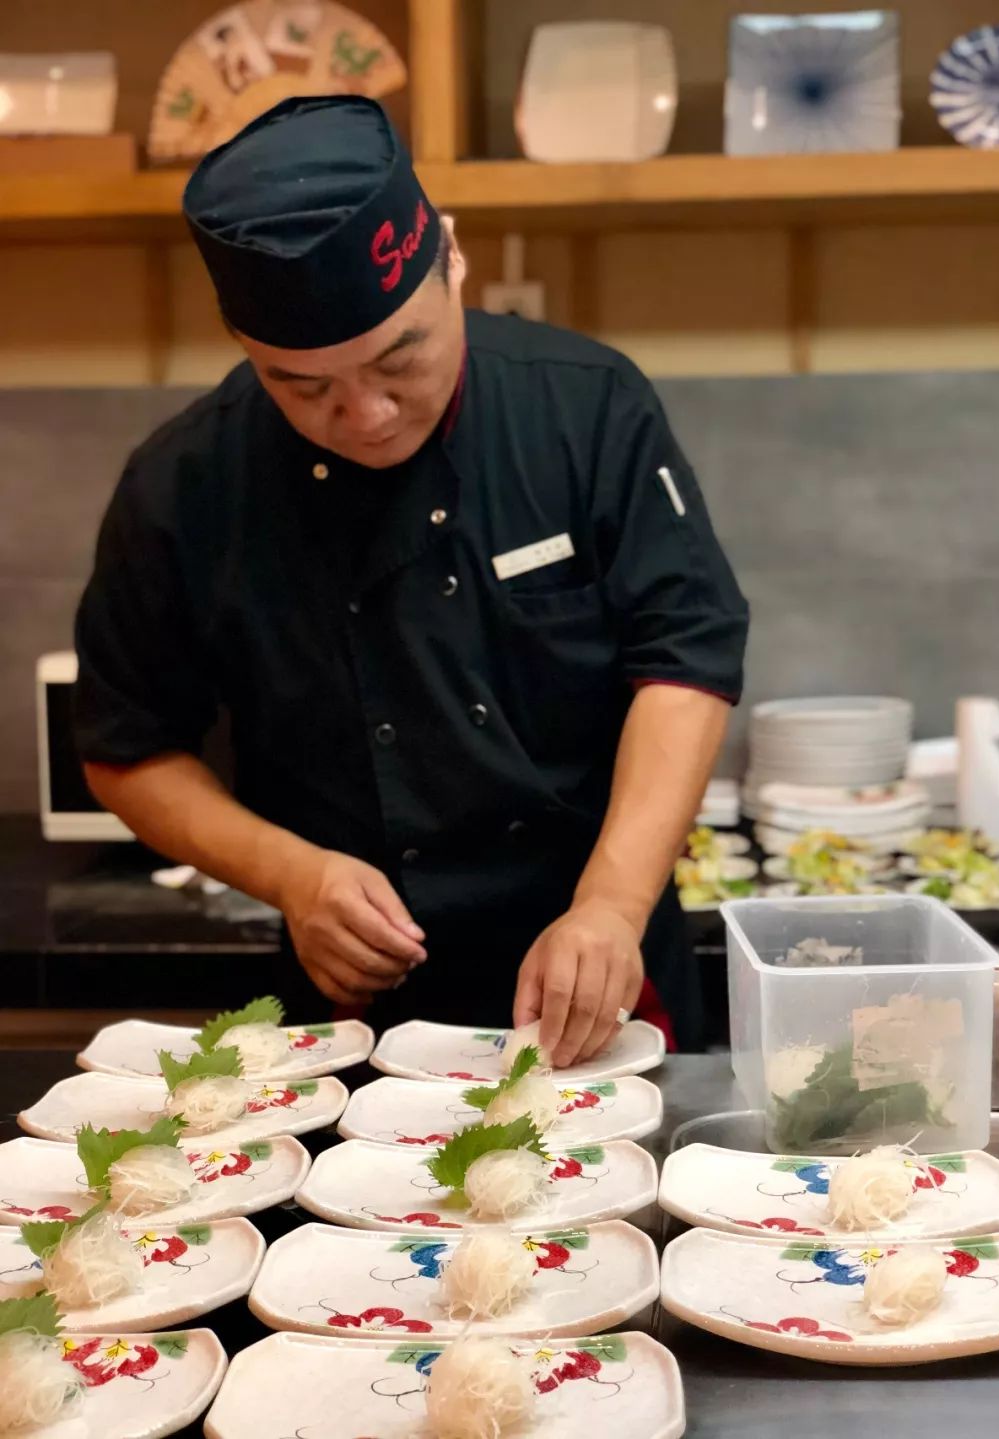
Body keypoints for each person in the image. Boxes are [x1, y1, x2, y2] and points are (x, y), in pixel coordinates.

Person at [74, 96, 749, 1067]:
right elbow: (126, 748)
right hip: (347, 997)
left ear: (452, 257)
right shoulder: (184, 484)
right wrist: (293, 875)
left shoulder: (588, 410)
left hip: (598, 966)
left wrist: (611, 902)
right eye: (304, 386)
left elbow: (684, 658)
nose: (368, 413)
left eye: (403, 355)